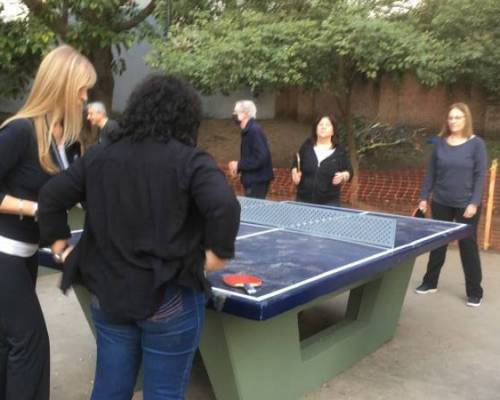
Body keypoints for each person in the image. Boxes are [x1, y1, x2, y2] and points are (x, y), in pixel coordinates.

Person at [37, 74, 241, 400]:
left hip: (109, 294)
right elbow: (224, 206)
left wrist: (61, 248)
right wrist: (214, 257)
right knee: (163, 393)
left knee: (110, 390)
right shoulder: (189, 160)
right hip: (169, 297)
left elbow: (49, 198)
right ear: (186, 116)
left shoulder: (99, 157)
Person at [0, 45, 96, 400]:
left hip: (26, 255)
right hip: (3, 255)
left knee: (10, 347)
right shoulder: (19, 133)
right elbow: (42, 204)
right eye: (81, 90)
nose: (86, 98)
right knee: (30, 343)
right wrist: (34, 207)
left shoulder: (66, 143)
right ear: (61, 86)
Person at [415, 102, 488, 307]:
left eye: (458, 117)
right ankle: (430, 282)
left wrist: (474, 202)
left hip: (466, 205)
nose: (453, 121)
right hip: (441, 201)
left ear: (466, 119)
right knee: (438, 243)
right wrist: (423, 197)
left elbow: (480, 175)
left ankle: (475, 291)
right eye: (451, 117)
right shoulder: (440, 143)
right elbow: (431, 173)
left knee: (467, 246)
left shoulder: (476, 144)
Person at [291, 115, 353, 206]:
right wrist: (294, 173)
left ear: (333, 131)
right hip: (303, 200)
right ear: (315, 129)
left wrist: (343, 176)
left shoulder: (340, 151)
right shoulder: (307, 146)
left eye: (327, 125)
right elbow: (296, 164)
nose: (323, 127)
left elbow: (349, 171)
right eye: (320, 124)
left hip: (329, 203)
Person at [228, 100, 274, 199]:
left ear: (245, 114)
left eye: (236, 112)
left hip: (257, 181)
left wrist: (239, 164)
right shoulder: (249, 130)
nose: (233, 114)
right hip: (254, 180)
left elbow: (261, 157)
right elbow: (252, 156)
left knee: (255, 212)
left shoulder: (254, 130)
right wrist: (238, 168)